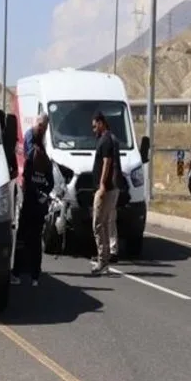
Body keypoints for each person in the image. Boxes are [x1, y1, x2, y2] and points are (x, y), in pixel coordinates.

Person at [12, 114, 53, 286]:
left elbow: (27, 181)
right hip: (38, 205)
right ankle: (34, 274)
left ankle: (19, 273)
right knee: (36, 239)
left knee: (23, 237)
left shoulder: (32, 162)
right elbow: (49, 183)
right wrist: (43, 194)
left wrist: (34, 192)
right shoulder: (46, 162)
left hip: (30, 204)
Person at [90, 112, 122, 275]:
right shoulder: (104, 139)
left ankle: (102, 261)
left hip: (106, 189)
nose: (93, 129)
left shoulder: (106, 140)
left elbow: (107, 163)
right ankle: (105, 260)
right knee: (104, 223)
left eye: (95, 126)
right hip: (108, 188)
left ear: (101, 123)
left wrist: (102, 185)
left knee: (98, 224)